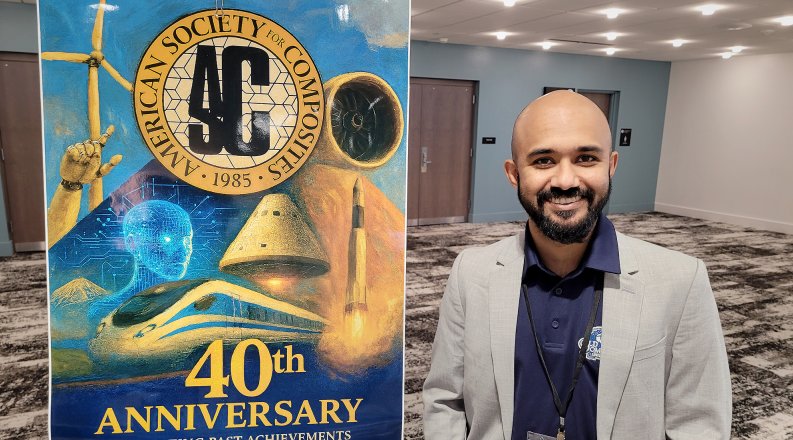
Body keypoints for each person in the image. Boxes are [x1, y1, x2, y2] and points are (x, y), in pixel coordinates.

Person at [422, 90, 731, 439]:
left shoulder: (680, 281)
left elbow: (700, 424)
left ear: (611, 166)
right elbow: (444, 399)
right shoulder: (471, 272)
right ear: (514, 173)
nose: (566, 181)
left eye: (586, 158)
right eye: (543, 161)